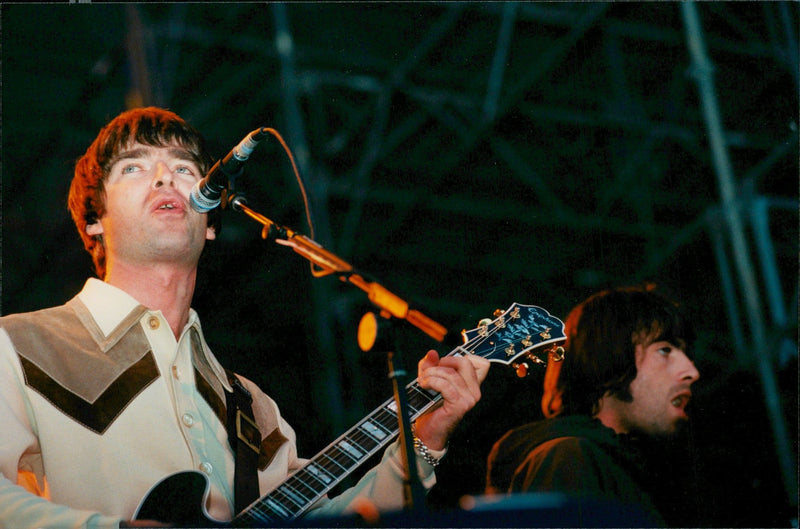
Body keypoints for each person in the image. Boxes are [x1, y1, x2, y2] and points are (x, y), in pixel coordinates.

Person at [0, 107, 489, 528]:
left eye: (185, 169)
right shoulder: (18, 345)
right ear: (93, 220)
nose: (165, 178)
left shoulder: (252, 407)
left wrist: (420, 444)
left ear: (210, 222)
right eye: (133, 168)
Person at [485, 286, 700, 526]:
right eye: (665, 350)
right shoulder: (569, 457)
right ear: (611, 355)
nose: (691, 372)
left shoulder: (619, 470)